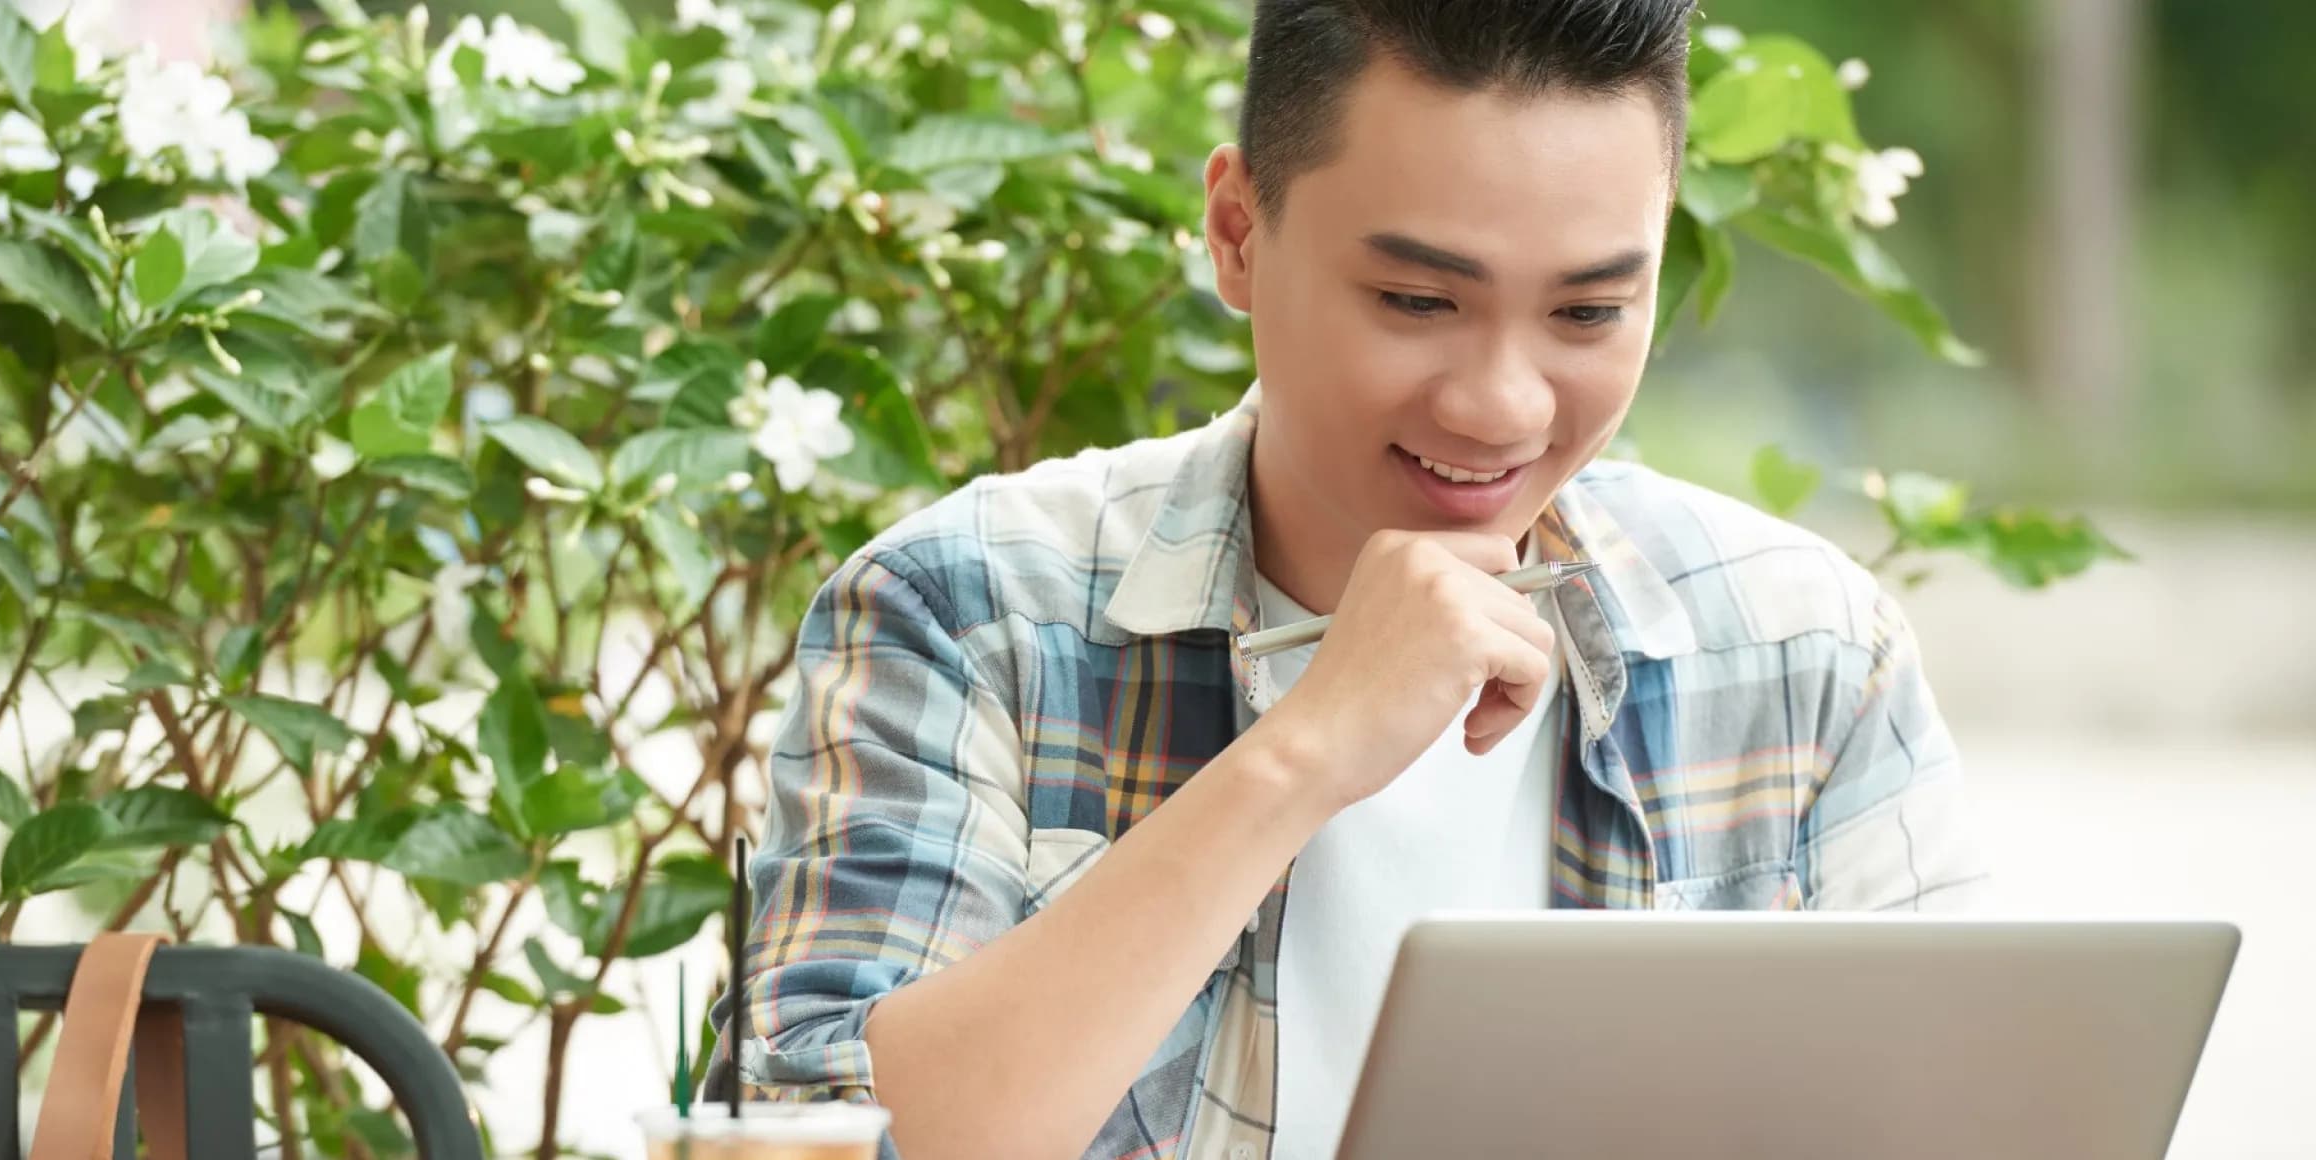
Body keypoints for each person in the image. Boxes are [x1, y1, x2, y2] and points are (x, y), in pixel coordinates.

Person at [713, 1, 1990, 1157]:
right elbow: (823, 1139)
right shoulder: (967, 610)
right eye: (1417, 299)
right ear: (1236, 235)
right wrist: (1302, 752)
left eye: (1588, 314)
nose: (1502, 404)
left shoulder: (1800, 648)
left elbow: (1990, 1105)